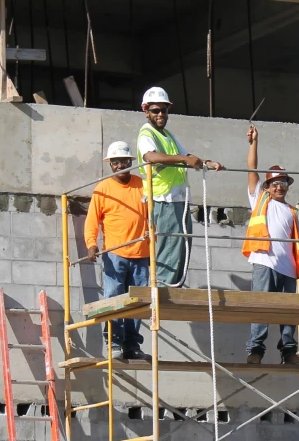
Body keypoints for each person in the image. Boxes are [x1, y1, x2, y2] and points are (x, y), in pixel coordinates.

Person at [136, 86, 224, 286]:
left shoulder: (167, 135)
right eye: (155, 110)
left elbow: (188, 156)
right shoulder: (146, 133)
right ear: (146, 111)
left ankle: (173, 284)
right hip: (163, 199)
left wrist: (207, 163)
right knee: (170, 246)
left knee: (182, 245)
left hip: (178, 199)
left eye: (164, 110)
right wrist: (184, 159)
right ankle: (162, 286)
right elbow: (150, 157)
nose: (160, 114)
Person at [242, 126, 299, 365]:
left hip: (289, 268)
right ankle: (256, 350)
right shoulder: (260, 199)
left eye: (283, 183)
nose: (279, 187)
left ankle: (289, 351)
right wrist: (254, 143)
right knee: (262, 307)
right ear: (267, 187)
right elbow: (252, 170)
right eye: (275, 184)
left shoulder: (294, 211)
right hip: (265, 261)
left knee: (288, 311)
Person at [84, 141, 151, 361]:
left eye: (124, 161)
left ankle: (132, 345)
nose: (120, 165)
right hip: (115, 254)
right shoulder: (103, 188)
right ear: (110, 164)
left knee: (137, 303)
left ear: (131, 162)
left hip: (142, 255)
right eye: (115, 162)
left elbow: (153, 215)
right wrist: (91, 244)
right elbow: (92, 221)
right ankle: (113, 344)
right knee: (113, 299)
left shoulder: (142, 185)